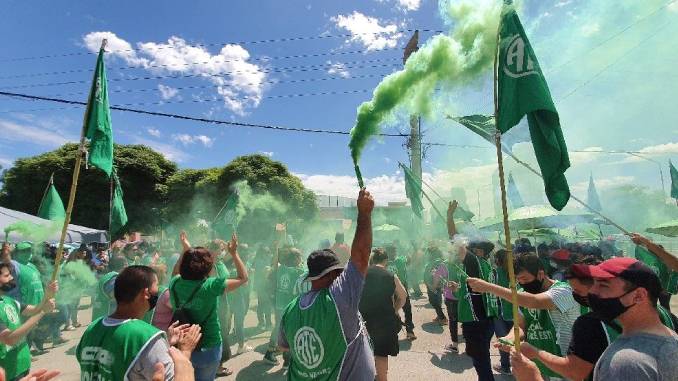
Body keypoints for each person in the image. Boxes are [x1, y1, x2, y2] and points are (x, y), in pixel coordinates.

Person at [279, 188, 376, 380]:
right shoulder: (339, 297)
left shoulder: (290, 309)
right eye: (340, 273)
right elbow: (361, 256)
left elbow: (283, 346)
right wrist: (364, 214)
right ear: (334, 274)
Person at [76, 265, 201, 380]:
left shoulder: (92, 328)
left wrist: (164, 344)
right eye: (156, 285)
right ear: (146, 293)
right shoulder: (145, 337)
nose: (158, 290)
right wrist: (185, 351)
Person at [469, 253, 579, 379]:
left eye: (525, 279)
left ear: (541, 274)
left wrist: (489, 287)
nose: (522, 284)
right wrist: (510, 338)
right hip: (536, 365)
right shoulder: (522, 295)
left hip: (563, 365)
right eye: (518, 280)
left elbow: (535, 301)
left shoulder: (563, 291)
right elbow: (521, 325)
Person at [169, 232, 248, 381]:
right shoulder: (211, 285)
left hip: (181, 344)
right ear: (208, 268)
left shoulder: (174, 283)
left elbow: (175, 271)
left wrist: (186, 250)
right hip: (209, 346)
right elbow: (243, 277)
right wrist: (234, 253)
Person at [587, 257, 678, 381]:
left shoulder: (625, 364)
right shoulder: (672, 338)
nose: (592, 291)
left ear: (639, 295)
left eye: (603, 285)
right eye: (594, 283)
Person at [448, 201, 499, 381]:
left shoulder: (475, 261)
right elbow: (475, 289)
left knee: (481, 362)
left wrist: (449, 216)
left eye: (471, 248)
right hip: (486, 319)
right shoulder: (487, 266)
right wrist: (459, 288)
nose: (467, 250)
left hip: (476, 320)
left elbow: (455, 239)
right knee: (481, 359)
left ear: (478, 251)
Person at [0, 262, 57, 380]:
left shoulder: (8, 300)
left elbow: (35, 309)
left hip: (22, 364)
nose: (11, 278)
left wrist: (48, 294)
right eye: (6, 276)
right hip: (7, 371)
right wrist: (43, 312)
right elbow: (9, 339)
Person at [359, 248, 407, 381]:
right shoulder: (390, 275)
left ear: (371, 260)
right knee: (381, 352)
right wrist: (395, 309)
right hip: (384, 320)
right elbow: (403, 296)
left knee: (363, 351)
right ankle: (382, 378)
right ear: (385, 260)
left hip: (363, 319)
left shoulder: (361, 273)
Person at [264, 247, 305, 367]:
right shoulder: (298, 272)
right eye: (300, 257)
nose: (301, 259)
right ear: (296, 258)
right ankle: (287, 360)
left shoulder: (281, 268)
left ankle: (270, 353)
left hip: (279, 304)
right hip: (290, 306)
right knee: (290, 331)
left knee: (278, 328)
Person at [432, 241, 463, 352]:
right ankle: (470, 344)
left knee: (453, 321)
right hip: (464, 296)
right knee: (466, 320)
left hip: (451, 298)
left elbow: (436, 279)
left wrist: (434, 287)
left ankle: (454, 345)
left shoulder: (444, 264)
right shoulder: (463, 263)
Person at [385, 244, 416, 340]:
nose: (393, 253)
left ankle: (393, 332)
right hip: (401, 288)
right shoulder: (400, 260)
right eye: (393, 251)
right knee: (407, 310)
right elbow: (409, 260)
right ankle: (409, 331)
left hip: (389, 290)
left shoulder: (384, 263)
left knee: (393, 311)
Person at [492, 249, 514, 375]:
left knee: (503, 339)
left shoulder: (495, 273)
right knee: (518, 340)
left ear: (497, 260)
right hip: (517, 311)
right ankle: (519, 366)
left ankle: (505, 366)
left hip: (500, 311)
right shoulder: (515, 272)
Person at [91, 255, 127, 321]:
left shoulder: (108, 276)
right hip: (107, 319)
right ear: (124, 265)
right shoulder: (114, 278)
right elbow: (115, 294)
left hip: (100, 318)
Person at [423, 246, 447, 325]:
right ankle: (439, 316)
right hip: (434, 285)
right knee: (437, 301)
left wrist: (432, 285)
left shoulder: (437, 262)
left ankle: (442, 318)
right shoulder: (436, 262)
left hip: (434, 286)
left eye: (430, 253)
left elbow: (437, 275)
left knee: (434, 301)